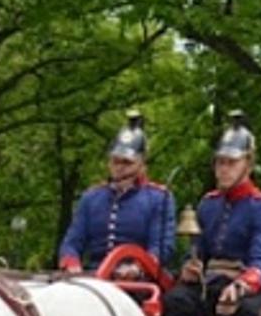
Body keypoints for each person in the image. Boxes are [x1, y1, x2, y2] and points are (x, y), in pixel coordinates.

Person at [163, 110, 261, 316]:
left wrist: (241, 286)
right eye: (220, 163)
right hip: (210, 285)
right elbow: (198, 250)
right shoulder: (209, 203)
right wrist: (190, 267)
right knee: (174, 301)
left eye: (231, 163)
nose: (223, 169)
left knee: (243, 312)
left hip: (246, 289)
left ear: (247, 165)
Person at [56, 110, 177, 282]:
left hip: (138, 280)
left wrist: (137, 268)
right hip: (93, 276)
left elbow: (160, 248)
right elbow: (71, 243)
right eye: (115, 161)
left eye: (127, 163)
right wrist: (72, 264)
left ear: (142, 164)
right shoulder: (91, 198)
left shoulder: (159, 198)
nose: (119, 168)